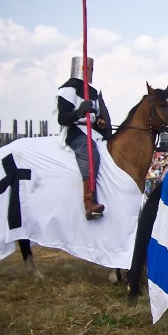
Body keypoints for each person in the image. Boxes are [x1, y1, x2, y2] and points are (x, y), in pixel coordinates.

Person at [57, 56, 112, 220]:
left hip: (93, 131)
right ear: (77, 68)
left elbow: (95, 116)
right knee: (90, 153)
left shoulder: (93, 93)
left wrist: (100, 122)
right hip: (75, 131)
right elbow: (62, 118)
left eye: (90, 69)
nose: (88, 72)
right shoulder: (67, 90)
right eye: (85, 68)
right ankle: (89, 204)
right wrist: (79, 112)